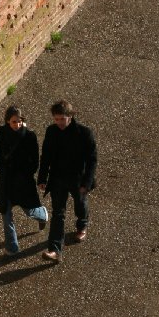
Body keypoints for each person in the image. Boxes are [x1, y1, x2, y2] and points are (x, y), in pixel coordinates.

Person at [38, 100, 97, 259]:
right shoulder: (51, 131)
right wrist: (42, 178)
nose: (59, 123)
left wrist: (87, 183)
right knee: (58, 213)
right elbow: (46, 157)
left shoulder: (84, 133)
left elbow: (92, 160)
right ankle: (55, 250)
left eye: (62, 119)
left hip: (78, 180)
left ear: (70, 116)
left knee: (80, 204)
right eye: (56, 119)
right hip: (58, 179)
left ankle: (82, 224)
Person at [0, 105, 48, 255]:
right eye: (13, 122)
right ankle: (12, 247)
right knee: (6, 213)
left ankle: (42, 215)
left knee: (29, 210)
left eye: (19, 121)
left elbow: (35, 161)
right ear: (7, 122)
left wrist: (26, 174)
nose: (17, 125)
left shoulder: (29, 136)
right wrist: (1, 171)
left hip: (23, 182)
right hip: (6, 181)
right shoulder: (2, 132)